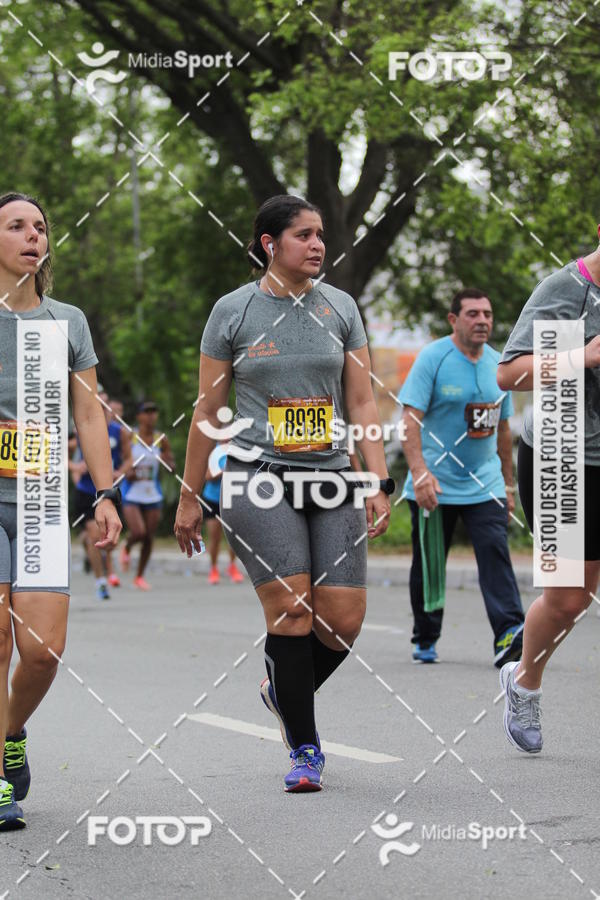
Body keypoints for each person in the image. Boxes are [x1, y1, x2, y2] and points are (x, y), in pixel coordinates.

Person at [174, 194, 394, 792]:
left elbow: (362, 401)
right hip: (257, 475)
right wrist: (191, 495)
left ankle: (282, 690)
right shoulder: (233, 312)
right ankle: (305, 749)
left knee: (342, 621)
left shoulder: (340, 307)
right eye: (304, 235)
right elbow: (208, 411)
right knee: (292, 611)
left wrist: (376, 480)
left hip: (331, 474)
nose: (318, 244)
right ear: (270, 244)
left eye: (321, 234)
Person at [0, 192, 121, 830]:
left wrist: (105, 493)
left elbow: (89, 415)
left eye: (40, 227)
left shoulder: (66, 321)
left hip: (43, 501)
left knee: (43, 650)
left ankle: (9, 732)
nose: (33, 236)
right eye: (17, 226)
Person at [498, 244, 600, 753]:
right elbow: (509, 374)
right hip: (562, 458)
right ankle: (524, 682)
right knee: (568, 600)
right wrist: (582, 356)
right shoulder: (568, 289)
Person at [400, 288, 524, 666]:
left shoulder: (499, 364)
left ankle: (510, 633)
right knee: (430, 566)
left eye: (487, 314)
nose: (482, 320)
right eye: (473, 314)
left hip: (484, 483)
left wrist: (508, 484)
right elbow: (409, 421)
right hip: (434, 484)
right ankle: (425, 635)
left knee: (495, 553)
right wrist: (419, 473)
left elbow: (503, 430)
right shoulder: (433, 358)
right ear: (453, 320)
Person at [71, 390, 131, 599]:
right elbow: (58, 450)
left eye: (106, 404)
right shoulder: (81, 429)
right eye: (99, 402)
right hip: (87, 491)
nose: (104, 407)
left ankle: (92, 549)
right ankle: (101, 581)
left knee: (109, 535)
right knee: (95, 535)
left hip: (109, 491)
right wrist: (75, 466)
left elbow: (129, 459)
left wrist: (120, 472)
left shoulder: (119, 432)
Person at [120, 401, 174, 591]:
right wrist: (128, 472)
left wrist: (169, 463)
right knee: (138, 532)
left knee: (149, 537)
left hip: (152, 492)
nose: (151, 416)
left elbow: (171, 463)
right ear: (139, 416)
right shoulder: (130, 436)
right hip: (131, 491)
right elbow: (123, 460)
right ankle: (127, 546)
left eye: (154, 412)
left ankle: (139, 576)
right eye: (147, 412)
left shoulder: (161, 438)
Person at [201, 442, 244, 585]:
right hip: (212, 499)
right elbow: (208, 476)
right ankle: (213, 569)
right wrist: (224, 471)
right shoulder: (214, 451)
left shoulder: (238, 449)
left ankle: (232, 567)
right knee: (215, 537)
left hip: (231, 498)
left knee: (234, 536)